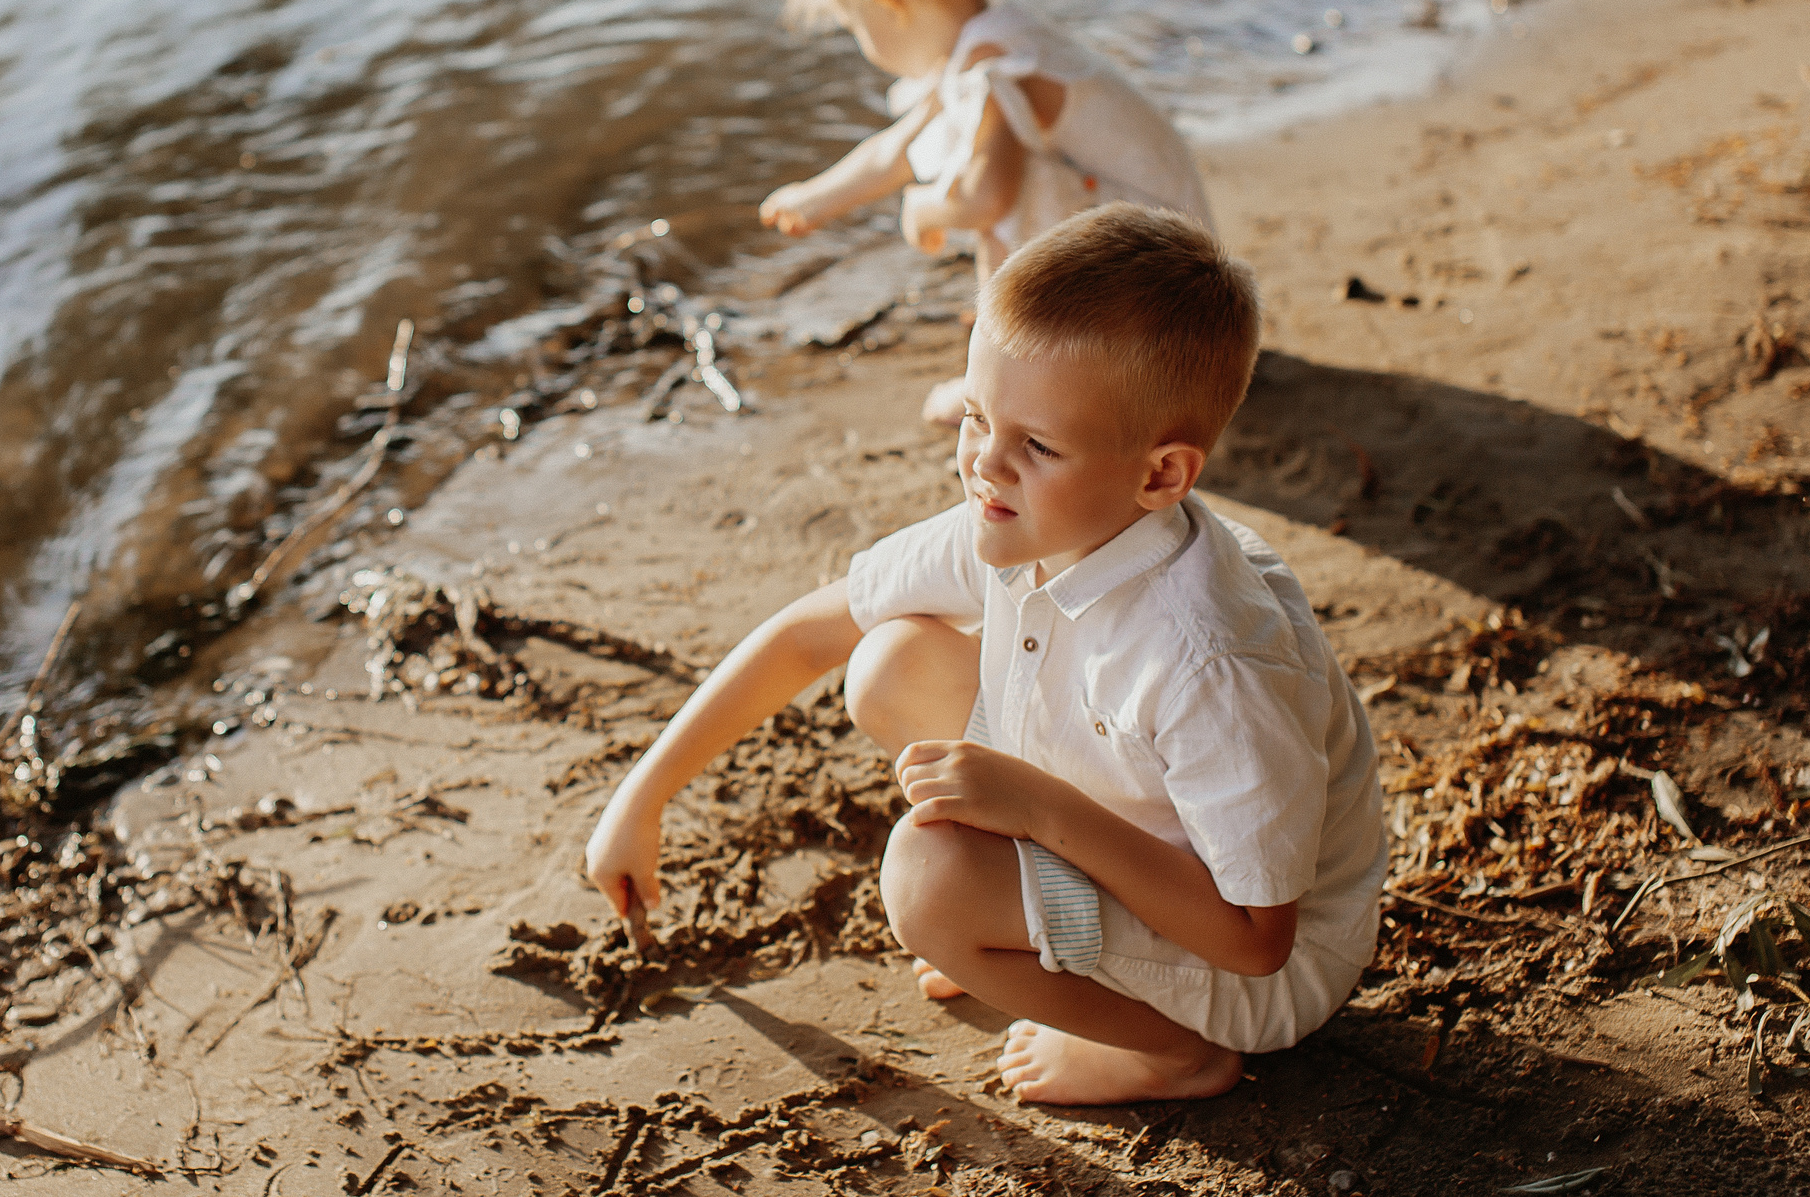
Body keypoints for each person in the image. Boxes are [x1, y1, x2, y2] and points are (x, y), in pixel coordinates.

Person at [584, 205, 1383, 1105]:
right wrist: (643, 796)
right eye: (975, 416)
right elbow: (809, 631)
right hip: (1143, 838)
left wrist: (1035, 808)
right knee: (889, 663)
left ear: (1161, 474)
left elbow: (1257, 938)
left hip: (1256, 968)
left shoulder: (1210, 660)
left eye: (1036, 445)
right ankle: (1034, 935)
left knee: (927, 882)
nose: (983, 465)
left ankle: (1173, 1052)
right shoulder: (1043, 516)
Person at [757, 0, 1215, 426]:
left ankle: (1000, 385)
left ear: (888, 2)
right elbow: (896, 149)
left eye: (855, 26)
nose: (862, 44)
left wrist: (921, 211)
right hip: (1184, 281)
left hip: (1160, 304)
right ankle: (1026, 361)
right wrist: (817, 196)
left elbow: (986, 197)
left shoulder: (992, 68)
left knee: (1002, 188)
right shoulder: (992, 39)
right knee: (998, 167)